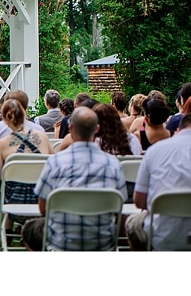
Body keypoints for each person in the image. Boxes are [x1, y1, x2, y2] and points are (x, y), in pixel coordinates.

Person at [20, 107, 127, 251]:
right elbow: (118, 207)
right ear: (96, 129)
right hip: (101, 242)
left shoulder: (55, 162)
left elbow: (43, 208)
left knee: (29, 229)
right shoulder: (113, 164)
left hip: (61, 242)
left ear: (70, 129)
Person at [125, 111, 191, 251]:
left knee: (132, 223)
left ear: (178, 130)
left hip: (159, 237)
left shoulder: (154, 151)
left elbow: (139, 202)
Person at [0, 99, 53, 230]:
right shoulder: (43, 137)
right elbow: (54, 163)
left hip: (13, 198)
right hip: (41, 196)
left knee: (2, 185)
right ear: (24, 114)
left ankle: (6, 231)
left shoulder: (3, 143)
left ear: (6, 119)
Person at [0, 90, 44, 200]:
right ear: (25, 108)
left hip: (7, 183)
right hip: (35, 184)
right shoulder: (39, 130)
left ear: (5, 108)